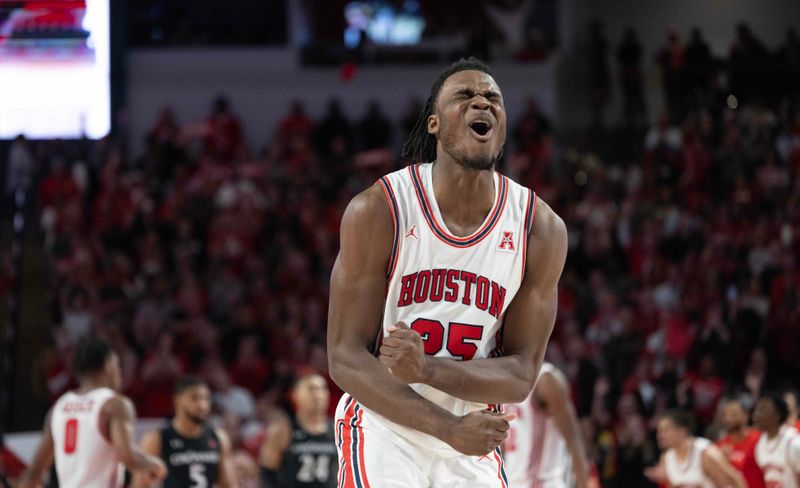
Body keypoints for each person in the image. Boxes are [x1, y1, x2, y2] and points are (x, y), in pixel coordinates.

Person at [327, 57, 568, 486]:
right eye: (466, 96)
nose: (482, 102)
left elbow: (521, 375)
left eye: (493, 97)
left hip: (472, 437)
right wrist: (445, 427)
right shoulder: (380, 209)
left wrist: (428, 371)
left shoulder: (540, 228)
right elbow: (345, 357)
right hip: (386, 427)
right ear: (434, 124)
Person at [18, 337, 166, 488]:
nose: (119, 372)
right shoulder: (114, 405)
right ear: (108, 366)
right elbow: (128, 457)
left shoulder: (58, 408)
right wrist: (156, 464)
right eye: (118, 366)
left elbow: (35, 471)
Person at [132, 376, 238, 488]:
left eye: (206, 399)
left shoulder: (219, 437)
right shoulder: (157, 439)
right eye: (194, 398)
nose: (202, 405)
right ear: (177, 400)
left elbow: (229, 484)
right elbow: (140, 485)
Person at [504, 362, 591, 488]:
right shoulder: (503, 380)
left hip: (542, 483)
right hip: (511, 482)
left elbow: (575, 442)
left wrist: (583, 483)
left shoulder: (547, 381)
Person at [259, 373, 337, 487]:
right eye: (311, 389)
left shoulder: (337, 430)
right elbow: (267, 475)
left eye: (322, 389)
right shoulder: (283, 430)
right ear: (295, 395)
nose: (317, 395)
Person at [647, 410, 746, 488]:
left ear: (683, 430)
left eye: (666, 430)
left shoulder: (705, 453)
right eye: (659, 431)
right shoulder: (666, 458)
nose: (659, 435)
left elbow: (733, 481)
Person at [753, 393, 800, 488]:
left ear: (777, 415)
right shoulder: (760, 445)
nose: (756, 414)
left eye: (763, 409)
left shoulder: (794, 443)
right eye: (757, 409)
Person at [715, 398, 765, 488]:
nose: (728, 418)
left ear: (745, 416)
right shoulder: (719, 447)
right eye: (725, 415)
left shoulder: (759, 440)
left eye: (734, 414)